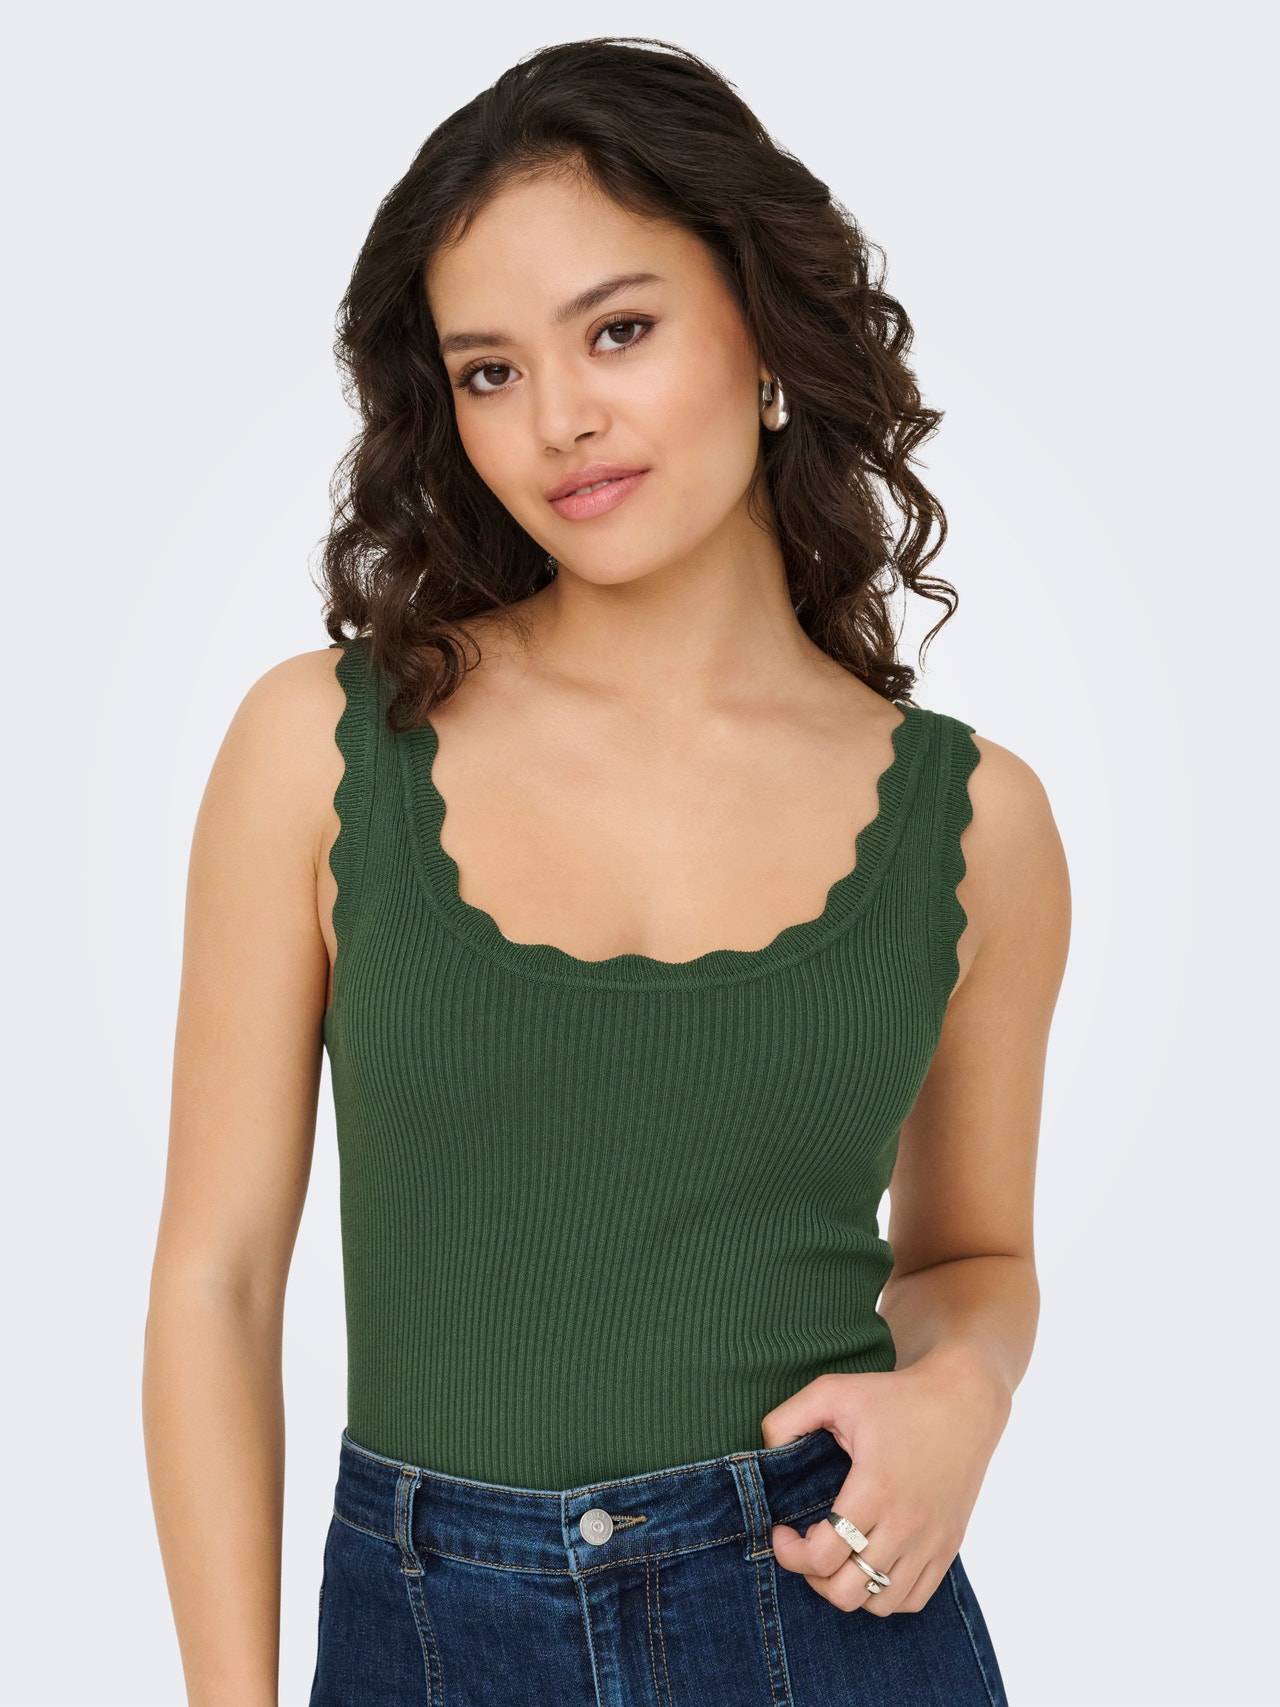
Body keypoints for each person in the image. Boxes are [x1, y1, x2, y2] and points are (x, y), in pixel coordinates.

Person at [142, 35, 1070, 1707]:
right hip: (427, 1638)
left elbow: (972, 1261)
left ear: (764, 333)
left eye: (619, 331)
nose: (561, 419)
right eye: (489, 371)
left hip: (828, 1627)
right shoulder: (325, 747)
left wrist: (965, 1396)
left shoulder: (977, 824)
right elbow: (216, 1283)